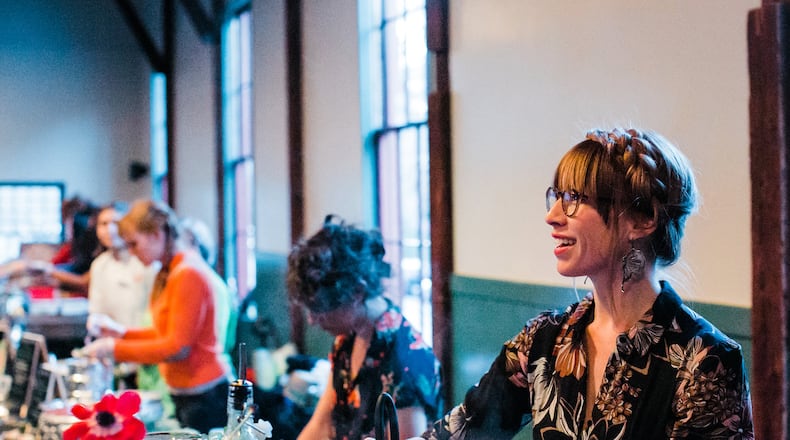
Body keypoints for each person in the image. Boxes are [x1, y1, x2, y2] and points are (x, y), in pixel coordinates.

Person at [423, 128, 754, 439]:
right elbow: (466, 428)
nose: (552, 215)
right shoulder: (544, 339)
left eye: (574, 198)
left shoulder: (705, 360)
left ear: (643, 219)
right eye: (556, 196)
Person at [82, 199, 232, 434]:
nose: (131, 252)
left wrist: (114, 348)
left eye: (133, 244)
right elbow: (165, 333)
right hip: (189, 394)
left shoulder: (187, 272)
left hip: (205, 396)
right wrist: (121, 333)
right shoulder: (171, 270)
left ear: (155, 235)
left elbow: (176, 347)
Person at [287, 215, 442, 440]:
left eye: (320, 309)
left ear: (357, 293)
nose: (312, 320)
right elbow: (321, 425)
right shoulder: (347, 339)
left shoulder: (406, 362)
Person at [179, 216, 238, 373]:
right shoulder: (184, 280)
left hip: (205, 376)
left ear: (195, 246)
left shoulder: (211, 284)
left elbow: (216, 340)